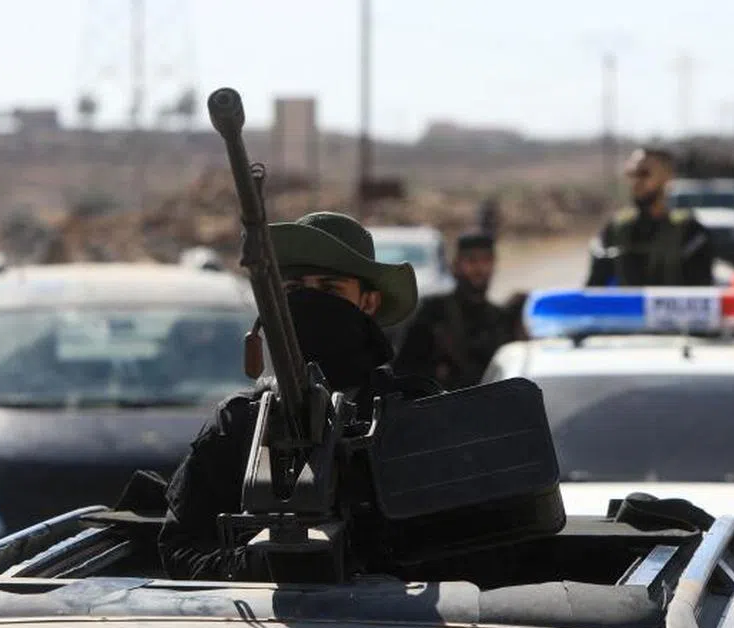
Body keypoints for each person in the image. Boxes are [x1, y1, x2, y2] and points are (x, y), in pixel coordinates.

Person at [157, 211, 440, 581]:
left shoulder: (415, 416)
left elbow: (461, 550)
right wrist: (261, 565)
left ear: (368, 303)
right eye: (294, 291)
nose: (310, 303)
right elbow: (180, 549)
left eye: (330, 290)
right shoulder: (239, 422)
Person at [393, 231, 515, 391]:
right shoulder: (433, 312)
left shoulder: (500, 318)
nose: (480, 269)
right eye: (471, 261)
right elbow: (405, 372)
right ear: (456, 265)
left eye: (486, 261)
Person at [586, 147, 714, 287]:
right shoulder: (615, 229)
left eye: (644, 174)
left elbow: (702, 295)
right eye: (631, 174)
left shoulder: (690, 232)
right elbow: (593, 291)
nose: (636, 181)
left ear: (668, 177)